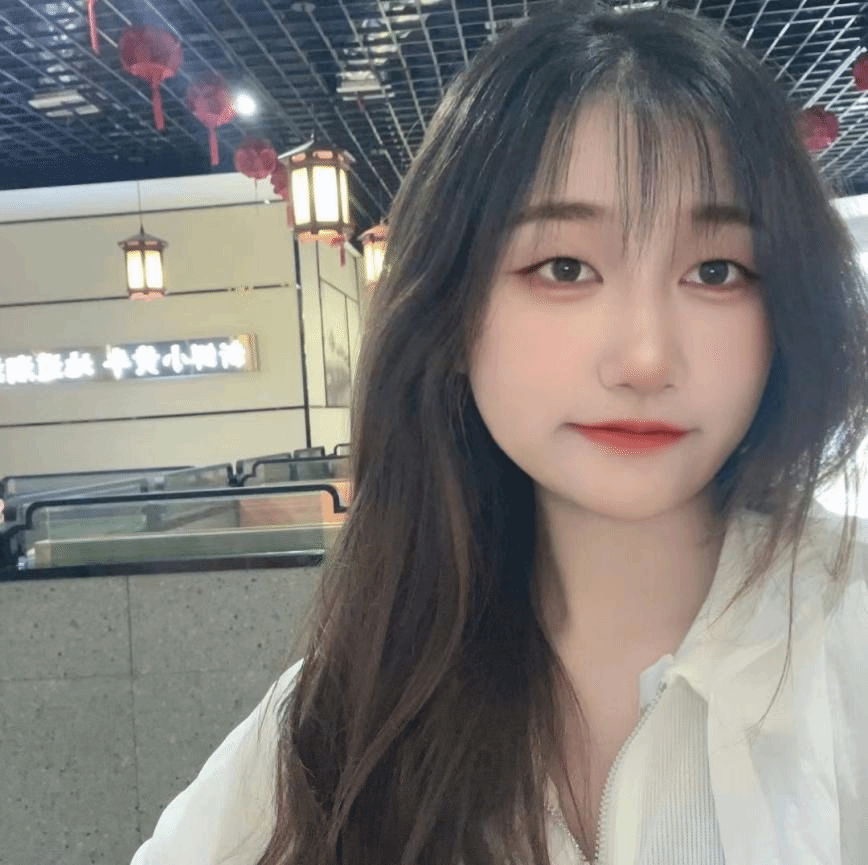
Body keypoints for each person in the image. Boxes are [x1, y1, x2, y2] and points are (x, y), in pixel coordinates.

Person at [131, 3, 868, 864]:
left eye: (716, 270)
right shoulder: (358, 703)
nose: (645, 357)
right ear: (451, 313)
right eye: (564, 266)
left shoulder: (845, 629)